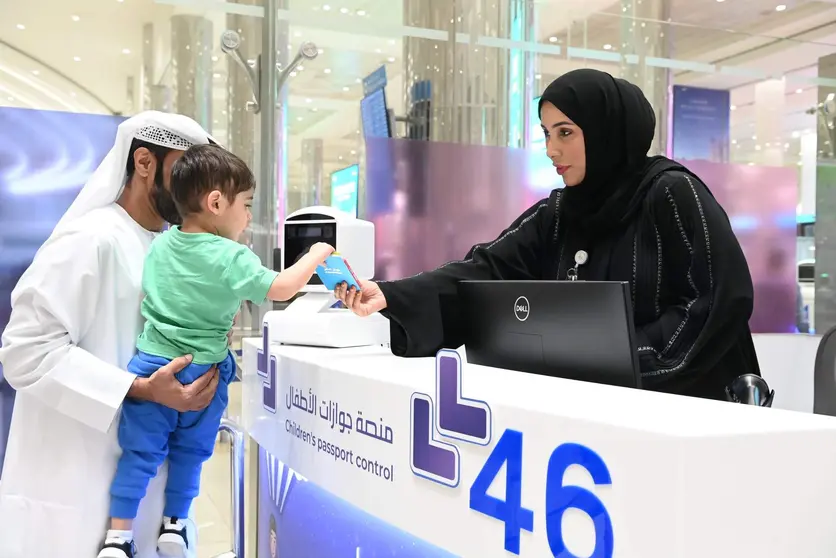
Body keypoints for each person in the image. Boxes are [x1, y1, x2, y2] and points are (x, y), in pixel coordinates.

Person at [335, 69, 760, 400]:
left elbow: (713, 302)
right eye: (546, 134)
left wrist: (620, 362)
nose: (551, 149)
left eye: (566, 133)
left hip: (690, 416)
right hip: (594, 411)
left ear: (606, 130)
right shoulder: (560, 213)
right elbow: (486, 270)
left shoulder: (670, 193)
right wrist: (393, 295)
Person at [0, 112, 220, 558]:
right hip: (77, 488)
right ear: (144, 162)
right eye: (187, 173)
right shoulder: (90, 239)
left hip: (148, 484)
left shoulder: (168, 247)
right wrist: (139, 389)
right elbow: (24, 351)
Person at [98, 144, 334, 558]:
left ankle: (117, 538)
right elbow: (281, 288)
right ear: (216, 202)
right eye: (246, 204)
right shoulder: (231, 256)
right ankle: (175, 525)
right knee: (190, 454)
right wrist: (316, 254)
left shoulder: (161, 244)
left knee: (138, 454)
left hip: (153, 364)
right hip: (204, 372)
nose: (247, 215)